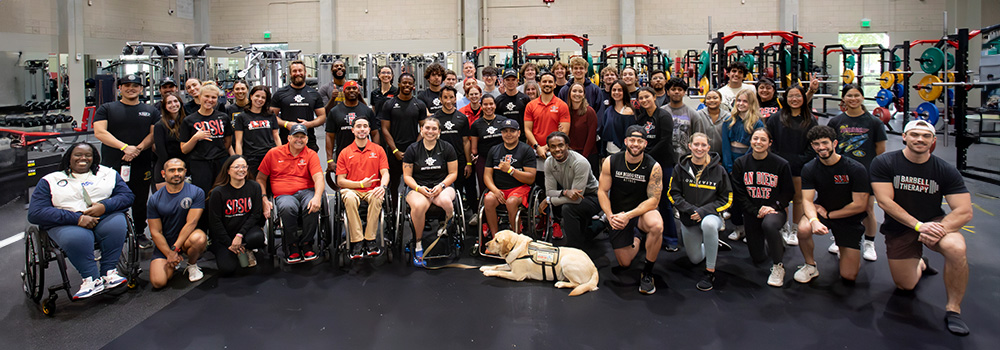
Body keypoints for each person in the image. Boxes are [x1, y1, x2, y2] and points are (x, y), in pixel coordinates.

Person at [870, 120, 973, 336]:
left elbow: (964, 211)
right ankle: (921, 264)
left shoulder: (945, 170)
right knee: (905, 286)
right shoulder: (884, 162)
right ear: (905, 137)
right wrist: (918, 226)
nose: (920, 139)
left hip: (934, 223)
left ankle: (953, 309)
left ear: (933, 141)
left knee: (956, 248)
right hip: (901, 226)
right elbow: (885, 202)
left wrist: (938, 228)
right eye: (915, 134)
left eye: (926, 136)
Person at [27, 143, 134, 299]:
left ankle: (109, 273)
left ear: (94, 157)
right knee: (78, 238)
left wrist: (104, 206)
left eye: (88, 155)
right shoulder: (50, 180)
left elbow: (127, 196)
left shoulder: (108, 174)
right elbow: (36, 213)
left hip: (103, 216)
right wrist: (77, 218)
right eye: (78, 155)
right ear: (69, 157)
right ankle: (91, 279)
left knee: (117, 226)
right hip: (68, 221)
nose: (83, 158)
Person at [792, 126, 869, 285]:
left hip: (848, 217)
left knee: (849, 276)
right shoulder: (810, 168)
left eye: (825, 143)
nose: (821, 147)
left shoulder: (855, 169)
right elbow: (807, 200)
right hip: (823, 209)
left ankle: (844, 247)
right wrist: (814, 220)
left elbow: (860, 205)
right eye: (816, 144)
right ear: (812, 146)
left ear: (834, 143)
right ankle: (810, 265)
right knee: (803, 228)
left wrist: (829, 215)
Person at [598, 125, 664, 295]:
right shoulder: (611, 161)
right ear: (626, 141)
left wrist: (629, 215)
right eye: (632, 140)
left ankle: (648, 273)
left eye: (640, 141)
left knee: (657, 226)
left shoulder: (654, 166)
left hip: (641, 212)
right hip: (618, 213)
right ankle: (637, 237)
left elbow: (654, 201)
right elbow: (602, 191)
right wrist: (610, 215)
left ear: (645, 143)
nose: (635, 144)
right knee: (624, 263)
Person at [93, 73, 157, 249]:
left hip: (141, 162)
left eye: (135, 85)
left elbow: (153, 134)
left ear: (141, 89)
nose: (131, 88)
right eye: (126, 85)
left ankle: (139, 233)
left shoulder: (151, 110)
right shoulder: (106, 108)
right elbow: (100, 132)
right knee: (108, 200)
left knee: (140, 201)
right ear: (119, 88)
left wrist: (136, 149)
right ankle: (103, 237)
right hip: (112, 164)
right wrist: (124, 147)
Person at [826, 84, 887, 261]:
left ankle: (869, 243)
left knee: (867, 208)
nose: (853, 99)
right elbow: (830, 146)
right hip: (841, 172)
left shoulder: (874, 122)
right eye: (849, 96)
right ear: (843, 98)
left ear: (862, 98)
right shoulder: (835, 122)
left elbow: (880, 149)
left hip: (865, 172)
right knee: (842, 207)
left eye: (856, 95)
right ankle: (839, 240)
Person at [668, 133, 732, 291]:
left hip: (710, 216)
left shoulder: (719, 170)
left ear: (708, 148)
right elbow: (672, 193)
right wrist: (689, 210)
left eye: (703, 145)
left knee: (709, 225)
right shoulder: (680, 168)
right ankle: (712, 243)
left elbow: (727, 198)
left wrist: (703, 211)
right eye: (696, 144)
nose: (699, 148)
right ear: (689, 146)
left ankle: (710, 272)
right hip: (689, 217)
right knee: (695, 259)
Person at [731, 128, 794, 287]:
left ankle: (778, 266)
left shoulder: (781, 164)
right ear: (750, 141)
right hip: (752, 212)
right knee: (758, 258)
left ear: (770, 143)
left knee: (769, 224)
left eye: (763, 140)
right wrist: (754, 210)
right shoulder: (740, 163)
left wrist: (772, 207)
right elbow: (739, 194)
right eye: (755, 139)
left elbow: (788, 192)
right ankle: (778, 242)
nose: (758, 142)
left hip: (774, 211)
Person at [256, 124, 325, 264]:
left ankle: (307, 243)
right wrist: (263, 198)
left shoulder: (311, 154)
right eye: (296, 136)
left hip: (306, 191)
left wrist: (317, 197)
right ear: (288, 138)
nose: (299, 140)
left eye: (302, 137)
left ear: (306, 139)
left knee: (312, 204)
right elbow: (260, 178)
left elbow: (318, 177)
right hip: (284, 194)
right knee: (287, 207)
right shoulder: (274, 153)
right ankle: (292, 245)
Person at [402, 118, 459, 267]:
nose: (430, 131)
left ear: (439, 132)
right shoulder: (412, 149)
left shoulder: (447, 148)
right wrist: (419, 189)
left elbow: (453, 173)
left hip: (442, 186)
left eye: (434, 129)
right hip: (418, 187)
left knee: (446, 201)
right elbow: (407, 176)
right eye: (427, 128)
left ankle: (446, 227)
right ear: (421, 130)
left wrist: (441, 186)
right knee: (420, 205)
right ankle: (418, 244)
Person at [766, 85, 818, 246]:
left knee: (798, 199)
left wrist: (800, 160)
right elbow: (770, 141)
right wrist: (778, 160)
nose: (794, 99)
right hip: (780, 165)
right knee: (782, 197)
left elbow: (813, 145)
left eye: (797, 96)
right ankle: (784, 226)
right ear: (785, 99)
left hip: (800, 166)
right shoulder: (775, 118)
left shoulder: (810, 120)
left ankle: (795, 228)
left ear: (803, 98)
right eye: (791, 96)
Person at [147, 158, 209, 288]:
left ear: (185, 172)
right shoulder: (154, 199)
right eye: (172, 170)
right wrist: (169, 253)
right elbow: (155, 232)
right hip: (165, 243)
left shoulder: (196, 192)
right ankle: (174, 261)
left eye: (180, 170)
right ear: (163, 174)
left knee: (199, 238)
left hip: (186, 239)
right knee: (158, 282)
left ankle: (191, 265)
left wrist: (175, 248)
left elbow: (191, 223)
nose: (177, 173)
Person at [336, 117, 390, 259]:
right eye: (358, 126)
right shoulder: (345, 152)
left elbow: (385, 173)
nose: (362, 129)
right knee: (349, 198)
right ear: (353, 130)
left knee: (378, 196)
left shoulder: (378, 150)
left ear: (368, 130)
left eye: (365, 126)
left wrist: (383, 187)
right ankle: (357, 241)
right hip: (352, 190)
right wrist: (360, 185)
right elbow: (340, 181)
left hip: (372, 190)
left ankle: (370, 239)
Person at [636, 87, 678, 251]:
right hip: (646, 164)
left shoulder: (664, 116)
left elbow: (665, 140)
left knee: (665, 202)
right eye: (641, 98)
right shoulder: (642, 118)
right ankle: (646, 234)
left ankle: (671, 239)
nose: (644, 100)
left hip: (664, 164)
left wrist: (647, 156)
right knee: (645, 201)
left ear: (654, 97)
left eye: (647, 97)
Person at [541, 132, 601, 248]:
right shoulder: (549, 162)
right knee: (585, 236)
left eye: (561, 145)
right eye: (553, 146)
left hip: (594, 197)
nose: (557, 149)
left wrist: (549, 201)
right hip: (570, 194)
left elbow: (576, 200)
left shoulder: (580, 162)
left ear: (567, 146)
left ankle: (573, 248)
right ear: (548, 148)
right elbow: (549, 191)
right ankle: (599, 225)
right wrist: (564, 192)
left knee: (568, 208)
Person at [207, 155, 265, 276]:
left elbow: (255, 215)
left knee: (257, 238)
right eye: (237, 167)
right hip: (225, 236)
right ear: (228, 170)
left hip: (245, 232)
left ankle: (247, 249)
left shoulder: (254, 187)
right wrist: (230, 244)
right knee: (228, 268)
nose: (241, 170)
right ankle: (237, 251)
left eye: (244, 166)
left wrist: (240, 235)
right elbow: (215, 221)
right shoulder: (218, 192)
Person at [380, 73, 428, 203]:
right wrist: (395, 150)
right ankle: (394, 212)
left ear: (413, 86)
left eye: (410, 83)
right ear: (399, 84)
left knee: (413, 184)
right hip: (394, 152)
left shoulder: (419, 105)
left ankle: (411, 211)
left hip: (414, 152)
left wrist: (414, 148)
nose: (407, 85)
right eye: (404, 82)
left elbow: (424, 128)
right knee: (393, 184)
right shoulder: (389, 104)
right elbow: (384, 129)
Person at [482, 119, 536, 236]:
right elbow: (487, 175)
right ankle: (496, 237)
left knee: (511, 202)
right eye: (505, 131)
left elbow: (531, 178)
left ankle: (516, 236)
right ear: (501, 133)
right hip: (500, 188)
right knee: (489, 199)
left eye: (512, 131)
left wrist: (511, 170)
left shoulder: (526, 150)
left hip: (520, 188)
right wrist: (495, 190)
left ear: (518, 133)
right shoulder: (494, 150)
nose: (508, 134)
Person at [180, 84, 234, 193]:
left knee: (221, 193)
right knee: (202, 195)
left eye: (213, 97)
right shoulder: (188, 120)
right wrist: (195, 138)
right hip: (200, 164)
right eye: (206, 96)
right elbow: (184, 149)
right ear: (200, 97)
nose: (210, 100)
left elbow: (228, 141)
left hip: (220, 162)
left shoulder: (223, 117)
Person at [433, 86, 474, 209]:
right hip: (441, 161)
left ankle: (458, 218)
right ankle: (444, 219)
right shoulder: (435, 119)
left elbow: (466, 142)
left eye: (451, 97)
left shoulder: (461, 117)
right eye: (445, 97)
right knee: (442, 192)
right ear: (440, 99)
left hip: (459, 160)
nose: (448, 100)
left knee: (459, 191)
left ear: (456, 98)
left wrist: (468, 163)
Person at [270, 60, 326, 152]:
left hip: (308, 141)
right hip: (286, 141)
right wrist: (286, 124)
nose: (298, 73)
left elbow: (322, 116)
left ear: (305, 72)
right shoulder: (280, 93)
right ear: (290, 74)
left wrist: (309, 124)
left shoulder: (314, 94)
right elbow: (272, 116)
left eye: (300, 70)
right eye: (294, 71)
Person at [325, 80, 377, 172]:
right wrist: (330, 160)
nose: (351, 90)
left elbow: (375, 133)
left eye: (354, 88)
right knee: (343, 185)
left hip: (364, 157)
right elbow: (329, 136)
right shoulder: (334, 111)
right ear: (344, 92)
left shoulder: (367, 111)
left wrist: (376, 153)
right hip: (342, 158)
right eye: (348, 88)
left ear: (358, 91)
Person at [234, 85, 281, 179]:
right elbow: (239, 141)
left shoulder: (271, 115)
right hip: (251, 158)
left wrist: (280, 155)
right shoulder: (242, 117)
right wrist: (239, 159)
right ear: (251, 96)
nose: (260, 99)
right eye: (257, 96)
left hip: (269, 156)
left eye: (263, 97)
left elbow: (276, 136)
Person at [524, 72, 571, 162]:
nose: (547, 84)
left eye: (550, 82)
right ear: (540, 84)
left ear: (555, 85)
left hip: (555, 152)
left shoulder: (562, 105)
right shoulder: (530, 105)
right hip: (535, 151)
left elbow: (565, 131)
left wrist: (546, 147)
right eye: (544, 81)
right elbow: (527, 130)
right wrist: (537, 147)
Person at [470, 95, 508, 194]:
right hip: (484, 159)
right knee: (484, 188)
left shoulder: (503, 121)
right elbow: (474, 149)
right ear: (481, 106)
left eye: (491, 104)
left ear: (495, 105)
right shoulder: (476, 125)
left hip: (502, 159)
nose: (488, 107)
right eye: (485, 104)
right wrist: (473, 158)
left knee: (503, 187)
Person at [153, 92, 187, 191]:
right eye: (169, 103)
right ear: (164, 106)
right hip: (165, 167)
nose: (173, 105)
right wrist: (171, 169)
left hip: (184, 167)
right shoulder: (160, 125)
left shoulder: (187, 122)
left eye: (175, 101)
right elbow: (161, 152)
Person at [598, 80, 634, 156]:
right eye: (614, 90)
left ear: (624, 92)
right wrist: (603, 154)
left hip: (622, 153)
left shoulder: (628, 112)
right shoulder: (608, 110)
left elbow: (629, 136)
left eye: (620, 90)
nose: (616, 92)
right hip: (608, 152)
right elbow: (603, 134)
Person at [495, 68, 532, 140]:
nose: (510, 82)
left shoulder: (525, 99)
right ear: (503, 81)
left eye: (513, 80)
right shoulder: (498, 100)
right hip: (505, 139)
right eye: (507, 80)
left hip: (522, 138)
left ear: (517, 81)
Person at [564, 82, 598, 158]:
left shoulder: (589, 112)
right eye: (574, 91)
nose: (577, 94)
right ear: (569, 93)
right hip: (569, 153)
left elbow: (591, 137)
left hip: (587, 155)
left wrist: (583, 157)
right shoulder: (565, 111)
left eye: (580, 91)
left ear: (584, 95)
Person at [696, 89, 730, 155]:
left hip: (722, 156)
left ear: (720, 100)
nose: (712, 100)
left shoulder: (728, 116)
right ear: (705, 101)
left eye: (715, 98)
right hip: (702, 154)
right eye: (708, 98)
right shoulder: (698, 115)